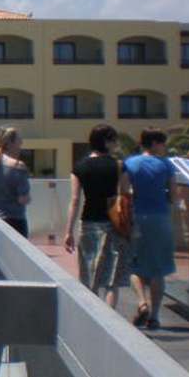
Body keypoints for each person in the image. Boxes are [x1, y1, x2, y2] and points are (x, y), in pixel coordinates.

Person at [63, 123, 131, 309]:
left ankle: (92, 314)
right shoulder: (119, 166)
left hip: (88, 224)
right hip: (114, 225)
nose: (116, 144)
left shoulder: (80, 167)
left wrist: (68, 231)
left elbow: (75, 200)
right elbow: (125, 195)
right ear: (106, 142)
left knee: (89, 274)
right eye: (114, 140)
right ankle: (110, 316)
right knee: (111, 279)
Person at [124, 127, 175, 329]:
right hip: (160, 218)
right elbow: (173, 195)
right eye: (162, 143)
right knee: (158, 268)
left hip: (137, 217)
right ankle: (154, 315)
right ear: (154, 143)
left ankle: (141, 302)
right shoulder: (166, 165)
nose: (164, 147)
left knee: (134, 264)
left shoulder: (130, 163)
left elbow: (123, 191)